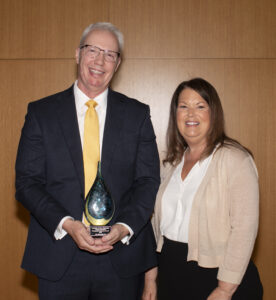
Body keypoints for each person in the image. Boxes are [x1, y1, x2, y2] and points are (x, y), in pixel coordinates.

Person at [15, 22, 160, 300]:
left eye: (110, 54)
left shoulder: (137, 115)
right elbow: (27, 182)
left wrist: (123, 228)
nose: (100, 61)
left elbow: (148, 181)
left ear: (117, 64)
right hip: (59, 254)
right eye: (93, 50)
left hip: (121, 257)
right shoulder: (41, 113)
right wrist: (67, 223)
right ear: (78, 54)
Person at [142, 78, 263, 300]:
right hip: (170, 274)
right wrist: (151, 277)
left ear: (213, 113)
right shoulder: (169, 164)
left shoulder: (236, 159)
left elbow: (244, 229)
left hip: (220, 278)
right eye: (183, 106)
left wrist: (224, 290)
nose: (190, 114)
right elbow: (153, 225)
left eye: (200, 106)